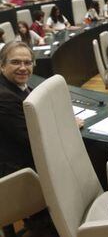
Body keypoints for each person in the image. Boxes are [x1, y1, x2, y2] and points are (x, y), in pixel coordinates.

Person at [0, 42, 84, 178]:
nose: (23, 68)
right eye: (15, 62)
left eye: (27, 63)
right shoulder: (4, 98)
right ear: (2, 65)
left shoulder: (18, 85)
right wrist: (68, 126)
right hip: (21, 172)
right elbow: (34, 139)